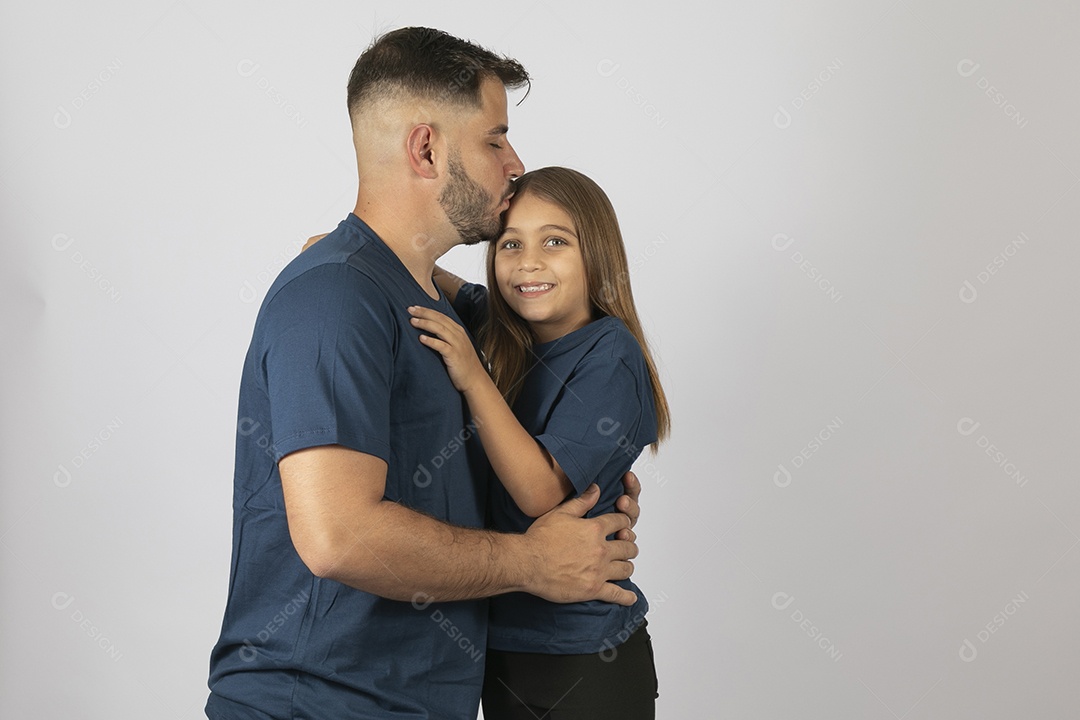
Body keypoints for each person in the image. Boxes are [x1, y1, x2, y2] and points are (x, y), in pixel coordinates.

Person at [206, 28, 643, 720]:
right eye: (495, 139)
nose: (515, 163)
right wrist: (534, 563)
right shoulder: (333, 301)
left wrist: (593, 487)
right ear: (427, 149)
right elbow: (338, 535)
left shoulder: (429, 308)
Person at [408, 166, 670, 719]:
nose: (529, 262)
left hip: (584, 656)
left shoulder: (610, 355)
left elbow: (540, 494)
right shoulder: (503, 333)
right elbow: (465, 292)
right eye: (511, 244)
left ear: (597, 253)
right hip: (501, 652)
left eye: (555, 242)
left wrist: (473, 376)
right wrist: (375, 258)